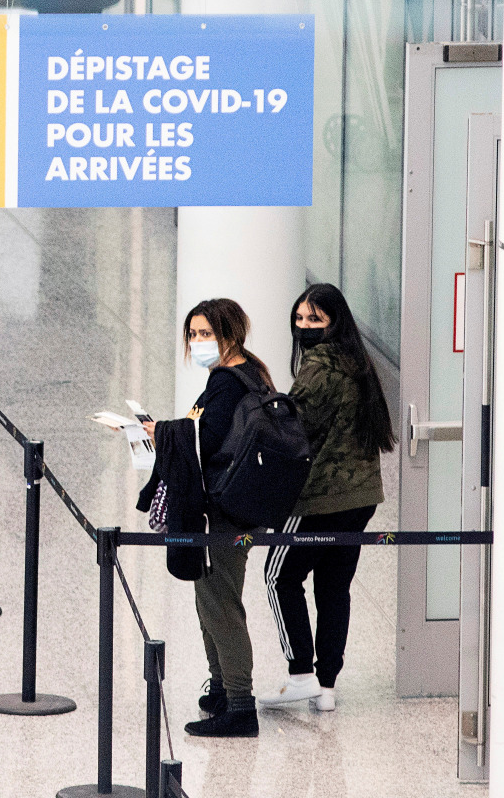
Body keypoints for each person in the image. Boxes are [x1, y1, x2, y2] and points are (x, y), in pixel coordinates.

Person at [258, 284, 395, 712]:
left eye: (314, 320)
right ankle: (327, 686)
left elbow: (295, 431)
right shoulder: (358, 363)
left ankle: (301, 674)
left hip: (321, 498)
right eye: (299, 319)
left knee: (279, 577)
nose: (304, 327)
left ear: (335, 322)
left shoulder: (318, 368)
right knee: (335, 588)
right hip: (361, 496)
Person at [142, 298, 274, 738]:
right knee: (209, 600)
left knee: (220, 605)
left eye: (206, 334)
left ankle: (240, 704)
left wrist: (159, 431)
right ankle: (220, 689)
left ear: (231, 334)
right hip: (230, 510)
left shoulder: (229, 383)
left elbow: (207, 437)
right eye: (193, 334)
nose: (198, 342)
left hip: (224, 516)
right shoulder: (246, 375)